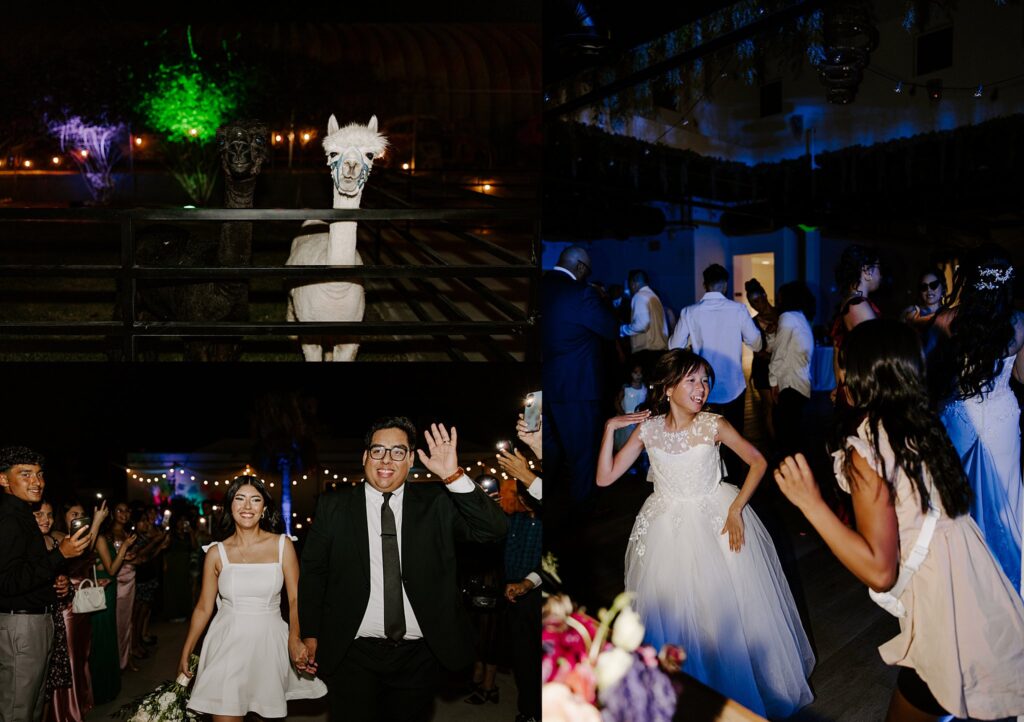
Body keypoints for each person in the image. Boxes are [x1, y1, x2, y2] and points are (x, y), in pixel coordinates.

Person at [776, 319, 1024, 720]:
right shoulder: (920, 422)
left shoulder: (865, 447)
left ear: (860, 373)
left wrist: (812, 505)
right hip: (970, 580)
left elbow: (879, 570)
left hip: (942, 602)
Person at [597, 351, 814, 719]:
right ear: (668, 388)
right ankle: (684, 691)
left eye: (705, 380)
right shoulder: (647, 429)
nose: (702, 389)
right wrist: (609, 429)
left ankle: (733, 688)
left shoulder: (712, 425)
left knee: (723, 608)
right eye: (692, 380)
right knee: (675, 612)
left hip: (714, 517)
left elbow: (758, 462)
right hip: (665, 526)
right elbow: (605, 477)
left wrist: (736, 508)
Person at [297, 417, 509, 722]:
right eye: (378, 450)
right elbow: (314, 572)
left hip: (419, 656)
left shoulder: (436, 503)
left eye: (397, 452)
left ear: (410, 459)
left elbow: (494, 529)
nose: (386, 460)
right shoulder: (334, 506)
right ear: (365, 456)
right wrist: (311, 633)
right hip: (352, 653)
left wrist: (452, 475)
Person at [179, 475, 326, 719]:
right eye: (240, 499)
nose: (247, 506)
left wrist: (294, 637)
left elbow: (295, 599)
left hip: (269, 644)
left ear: (264, 508)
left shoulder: (283, 546)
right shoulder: (216, 553)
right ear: (230, 506)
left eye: (255, 500)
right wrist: (187, 650)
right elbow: (204, 607)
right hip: (226, 644)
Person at [932, 244, 1024, 592]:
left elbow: (938, 378)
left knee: (962, 499)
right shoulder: (1018, 323)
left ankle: (968, 583)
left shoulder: (946, 321)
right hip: (1001, 419)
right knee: (1005, 496)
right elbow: (1022, 377)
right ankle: (1009, 579)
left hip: (961, 419)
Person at [0, 446, 91, 722]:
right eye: (25, 474)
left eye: (39, 474)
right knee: (18, 710)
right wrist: (60, 555)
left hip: (38, 621)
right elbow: (6, 581)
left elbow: (29, 569)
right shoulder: (8, 518)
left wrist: (56, 579)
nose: (37, 482)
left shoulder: (23, 516)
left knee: (34, 707)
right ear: (3, 480)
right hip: (21, 626)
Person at [669, 263, 763, 484]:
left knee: (704, 445)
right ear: (726, 284)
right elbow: (757, 343)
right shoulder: (739, 310)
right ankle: (734, 492)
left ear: (704, 284)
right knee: (734, 443)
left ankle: (708, 488)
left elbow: (674, 346)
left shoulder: (690, 312)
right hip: (734, 388)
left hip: (703, 390)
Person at [542, 246, 618, 505]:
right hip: (575, 389)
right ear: (581, 268)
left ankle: (543, 502)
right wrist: (603, 298)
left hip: (538, 388)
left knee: (546, 451)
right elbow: (610, 329)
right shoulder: (583, 293)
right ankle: (580, 515)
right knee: (582, 455)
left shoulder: (538, 284)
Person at [48, 500, 108, 722]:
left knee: (83, 654)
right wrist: (98, 522)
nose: (78, 518)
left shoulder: (74, 537)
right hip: (66, 606)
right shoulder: (56, 536)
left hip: (80, 602)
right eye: (73, 514)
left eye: (82, 514)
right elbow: (83, 549)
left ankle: (80, 701)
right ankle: (67, 711)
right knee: (70, 658)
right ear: (62, 516)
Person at [32, 500, 72, 722]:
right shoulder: (25, 544)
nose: (45, 519)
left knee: (48, 683)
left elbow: (64, 581)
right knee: (30, 687)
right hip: (31, 616)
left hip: (54, 616)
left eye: (48, 514)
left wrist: (67, 586)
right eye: (38, 514)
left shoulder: (54, 542)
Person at [90, 511, 135, 704]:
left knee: (109, 635)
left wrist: (124, 553)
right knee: (103, 638)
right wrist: (124, 547)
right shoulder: (99, 538)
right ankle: (102, 688)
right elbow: (111, 569)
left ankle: (108, 685)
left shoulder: (101, 537)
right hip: (105, 588)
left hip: (109, 587)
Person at [769, 281, 816, 459]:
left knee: (787, 437)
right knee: (795, 435)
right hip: (802, 383)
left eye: (780, 296)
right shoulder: (802, 318)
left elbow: (779, 353)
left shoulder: (787, 317)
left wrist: (773, 381)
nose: (778, 300)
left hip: (790, 384)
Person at [830, 245, 881, 401]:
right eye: (879, 269)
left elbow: (837, 349)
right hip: (861, 389)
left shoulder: (850, 303)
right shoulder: (857, 306)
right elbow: (873, 352)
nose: (881, 275)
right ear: (867, 271)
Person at [744, 278, 778, 441]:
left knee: (782, 406)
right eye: (752, 303)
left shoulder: (782, 314)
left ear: (765, 295)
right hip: (763, 368)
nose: (757, 305)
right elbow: (758, 351)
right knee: (769, 406)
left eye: (758, 300)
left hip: (784, 368)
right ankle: (774, 445)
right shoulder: (752, 323)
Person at [619, 269, 668, 378]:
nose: (630, 289)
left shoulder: (639, 296)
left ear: (633, 283)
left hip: (646, 352)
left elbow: (641, 325)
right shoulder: (654, 296)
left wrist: (622, 329)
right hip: (659, 351)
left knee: (645, 387)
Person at [900, 268, 945, 353]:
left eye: (933, 285)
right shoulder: (911, 312)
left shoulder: (949, 314)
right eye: (924, 287)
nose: (929, 290)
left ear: (942, 286)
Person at [613, 362, 647, 453]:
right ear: (631, 373)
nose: (638, 375)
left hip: (639, 421)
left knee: (639, 447)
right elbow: (616, 403)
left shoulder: (644, 388)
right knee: (626, 447)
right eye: (635, 373)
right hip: (627, 422)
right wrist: (623, 415)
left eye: (640, 373)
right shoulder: (626, 388)